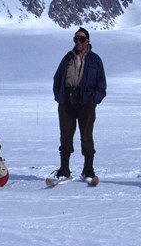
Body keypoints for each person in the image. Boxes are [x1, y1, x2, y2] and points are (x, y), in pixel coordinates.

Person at [53, 27, 107, 179]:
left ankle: (88, 169)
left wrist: (95, 100)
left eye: (81, 39)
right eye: (76, 39)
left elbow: (101, 83)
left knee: (86, 136)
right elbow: (57, 78)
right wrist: (59, 98)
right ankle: (64, 169)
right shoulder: (67, 58)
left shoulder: (95, 60)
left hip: (87, 102)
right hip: (67, 101)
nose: (78, 41)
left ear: (88, 41)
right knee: (66, 135)